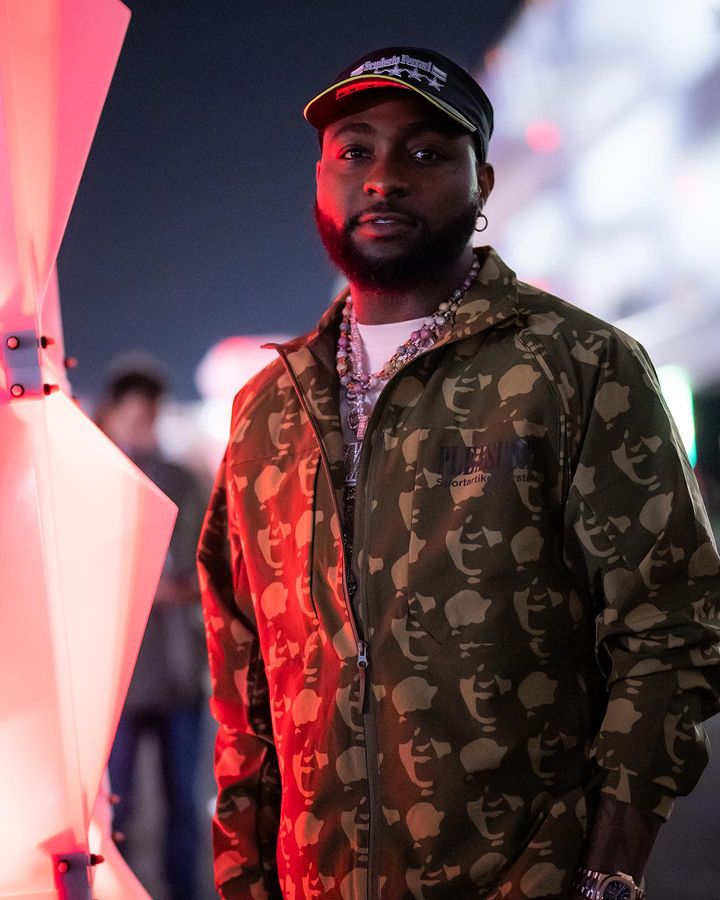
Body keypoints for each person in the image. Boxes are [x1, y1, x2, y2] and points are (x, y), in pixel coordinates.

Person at [197, 47, 720, 900]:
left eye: (427, 151)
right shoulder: (268, 406)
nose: (384, 177)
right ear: (321, 179)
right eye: (355, 150)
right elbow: (241, 672)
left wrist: (606, 872)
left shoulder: (575, 364)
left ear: (483, 184)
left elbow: (671, 628)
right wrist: (243, 878)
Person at [100, 359, 209, 900]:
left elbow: (211, 562)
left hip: (176, 672)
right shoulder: (96, 478)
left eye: (149, 414)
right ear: (113, 413)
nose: (143, 424)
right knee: (113, 806)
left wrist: (171, 588)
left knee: (181, 803)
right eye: (134, 414)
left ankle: (181, 890)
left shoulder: (183, 480)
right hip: (114, 681)